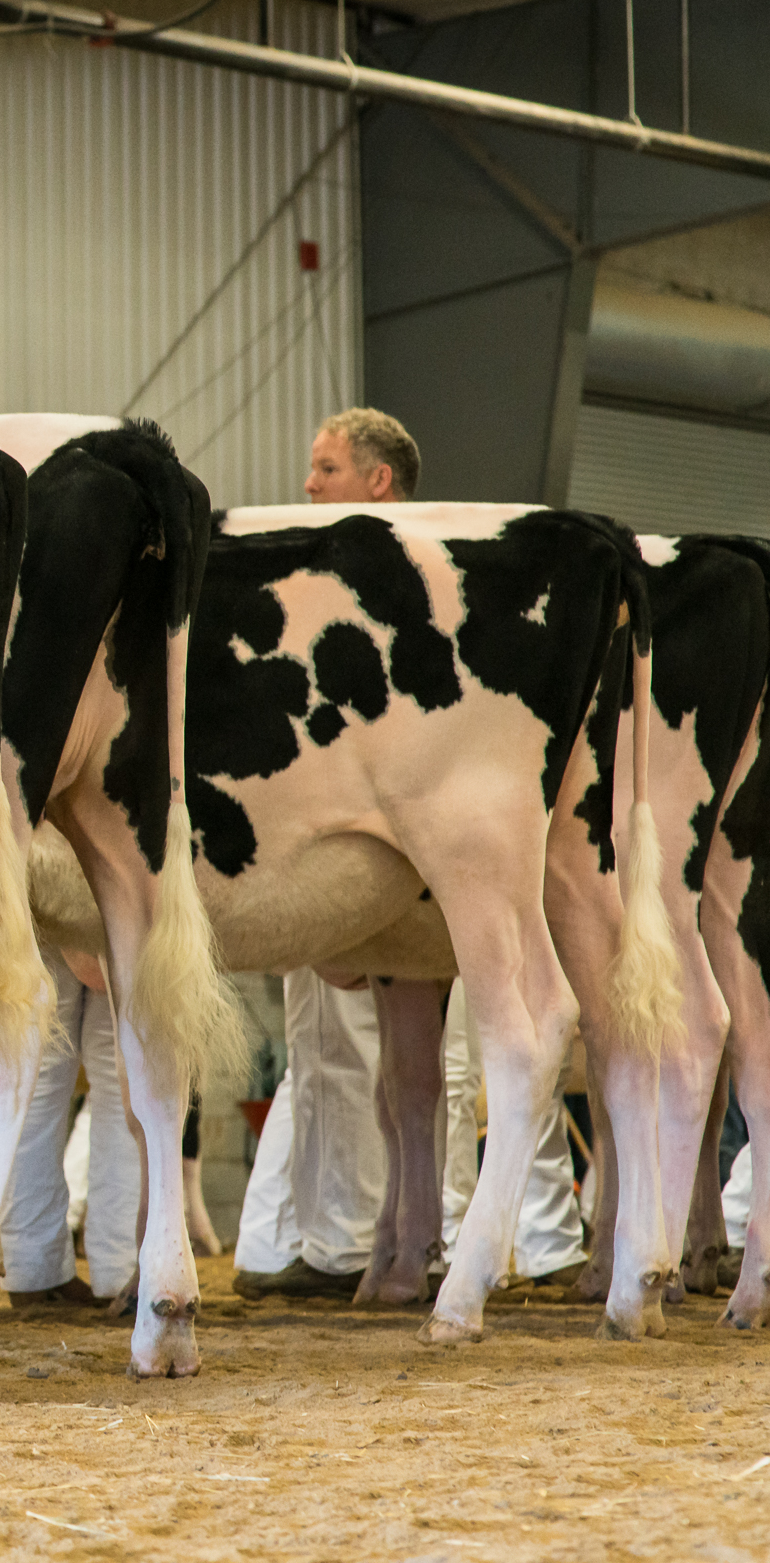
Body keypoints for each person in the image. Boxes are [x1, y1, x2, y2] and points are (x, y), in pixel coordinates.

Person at [231, 408, 587, 1299]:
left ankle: (415, 1235)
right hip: (360, 842)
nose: (308, 484)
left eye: (327, 468)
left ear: (378, 480)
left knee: (438, 1049)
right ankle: (377, 1233)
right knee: (366, 1053)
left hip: (408, 842)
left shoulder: (420, 583)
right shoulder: (347, 576)